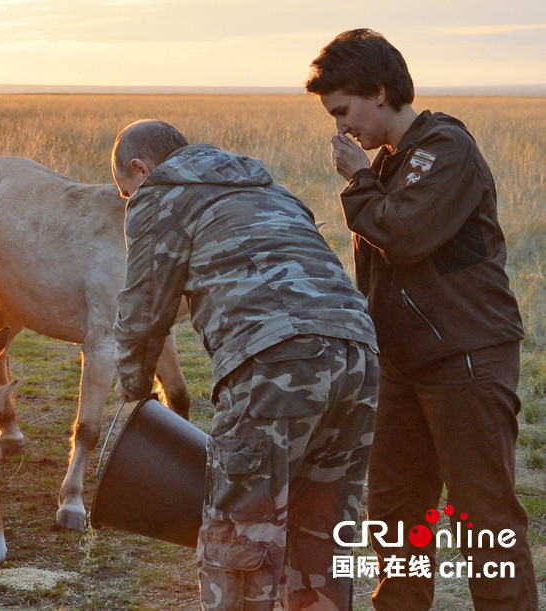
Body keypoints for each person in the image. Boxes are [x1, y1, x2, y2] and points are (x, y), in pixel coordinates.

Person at [306, 28, 538, 610]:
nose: (340, 128)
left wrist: (358, 179)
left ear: (379, 92)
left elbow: (403, 236)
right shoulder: (394, 161)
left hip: (466, 358)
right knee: (395, 510)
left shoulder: (444, 149)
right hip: (404, 365)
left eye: (343, 110)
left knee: (481, 515)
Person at [112, 119, 380, 610]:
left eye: (127, 192)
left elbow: (143, 310)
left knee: (238, 542)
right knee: (320, 537)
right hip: (360, 356)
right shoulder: (269, 187)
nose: (132, 200)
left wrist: (133, 395)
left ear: (139, 169)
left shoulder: (160, 193)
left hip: (275, 364)